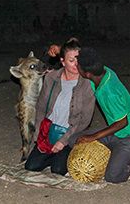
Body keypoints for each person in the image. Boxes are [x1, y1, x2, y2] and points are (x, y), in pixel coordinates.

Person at [69, 47, 130, 183]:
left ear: (87, 73)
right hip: (116, 132)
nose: (76, 66)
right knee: (74, 140)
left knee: (113, 176)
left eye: (78, 65)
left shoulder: (109, 93)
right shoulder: (102, 72)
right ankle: (116, 155)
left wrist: (93, 137)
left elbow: (123, 123)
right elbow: (87, 55)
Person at [24, 38, 96, 175]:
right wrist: (39, 136)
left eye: (78, 59)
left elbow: (84, 120)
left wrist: (63, 141)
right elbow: (41, 108)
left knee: (58, 170)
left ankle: (66, 154)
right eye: (71, 61)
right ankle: (56, 155)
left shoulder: (87, 83)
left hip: (72, 132)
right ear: (62, 61)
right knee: (31, 166)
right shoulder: (51, 78)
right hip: (50, 131)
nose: (76, 64)